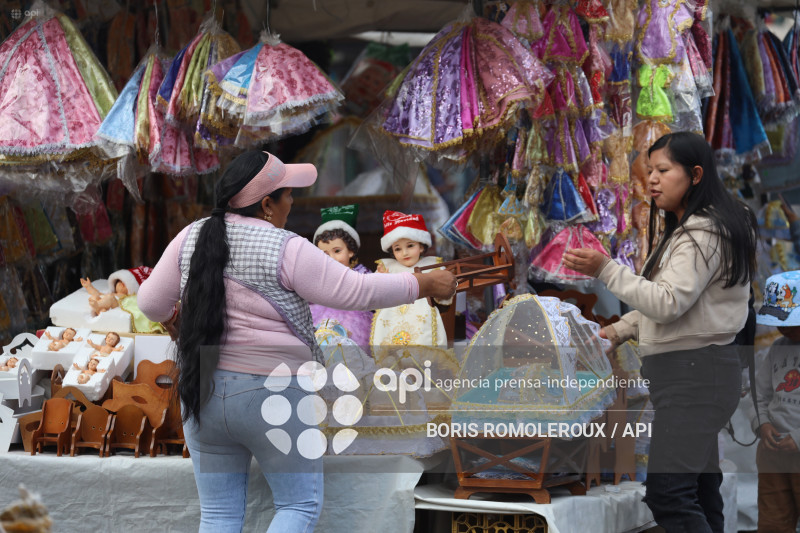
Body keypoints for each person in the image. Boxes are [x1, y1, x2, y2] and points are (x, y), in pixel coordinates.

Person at [137, 150, 456, 533]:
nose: (293, 201)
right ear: (267, 204)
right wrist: (423, 282)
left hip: (203, 388)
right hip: (272, 389)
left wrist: (177, 320)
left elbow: (151, 303)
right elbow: (356, 290)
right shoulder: (285, 247)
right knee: (299, 505)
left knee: (219, 515)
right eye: (288, 194)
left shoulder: (192, 235)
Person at [563, 132, 758, 533]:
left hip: (695, 376)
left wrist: (605, 269)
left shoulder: (702, 232)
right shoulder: (698, 228)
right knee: (700, 489)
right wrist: (617, 331)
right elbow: (682, 307)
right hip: (696, 373)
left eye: (663, 170)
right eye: (649, 170)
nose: (652, 179)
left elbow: (668, 302)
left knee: (667, 493)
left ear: (696, 174)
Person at [752, 270, 800, 532]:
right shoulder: (777, 349)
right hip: (773, 451)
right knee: (773, 520)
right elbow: (761, 394)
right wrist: (762, 424)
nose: (782, 327)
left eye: (789, 319)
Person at [371, 210, 452, 352]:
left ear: (421, 246)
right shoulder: (387, 268)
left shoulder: (432, 266)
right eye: (398, 248)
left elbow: (446, 293)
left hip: (422, 317)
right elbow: (373, 294)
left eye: (410, 246)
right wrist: (380, 279)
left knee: (422, 345)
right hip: (391, 318)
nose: (405, 253)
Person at [310, 204, 373, 351]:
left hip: (354, 319)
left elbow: (371, 293)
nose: (331, 258)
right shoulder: (318, 276)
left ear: (351, 251)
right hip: (322, 318)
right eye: (325, 254)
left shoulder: (361, 273)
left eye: (337, 251)